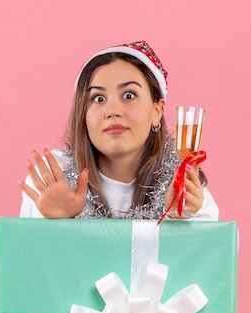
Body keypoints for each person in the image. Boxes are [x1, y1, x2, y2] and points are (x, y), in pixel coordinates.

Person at [18, 41, 219, 221]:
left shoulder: (184, 184)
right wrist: (59, 224)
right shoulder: (54, 177)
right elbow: (25, 259)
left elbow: (207, 257)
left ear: (157, 111)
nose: (112, 111)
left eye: (129, 95)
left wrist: (179, 221)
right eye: (98, 98)